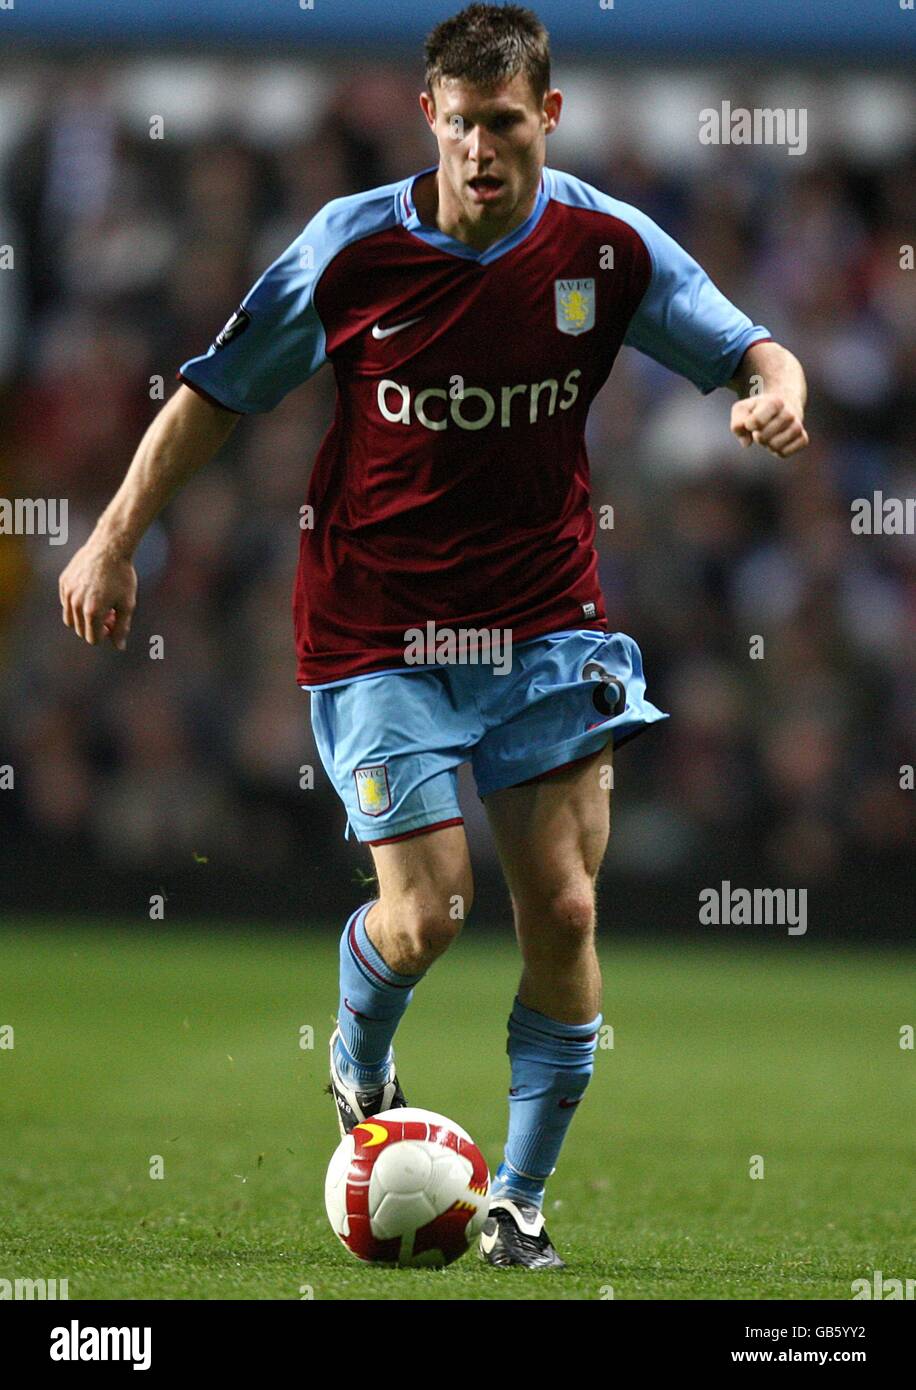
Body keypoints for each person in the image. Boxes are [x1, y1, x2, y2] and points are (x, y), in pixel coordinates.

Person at [59, 3, 809, 1269]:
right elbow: (213, 393)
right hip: (377, 627)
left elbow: (750, 346)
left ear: (547, 119)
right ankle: (358, 1055)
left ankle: (516, 1199)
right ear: (429, 119)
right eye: (458, 125)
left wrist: (775, 392)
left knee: (563, 908)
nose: (479, 150)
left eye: (504, 124)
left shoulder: (604, 245)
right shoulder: (347, 250)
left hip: (542, 621)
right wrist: (113, 535)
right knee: (429, 917)